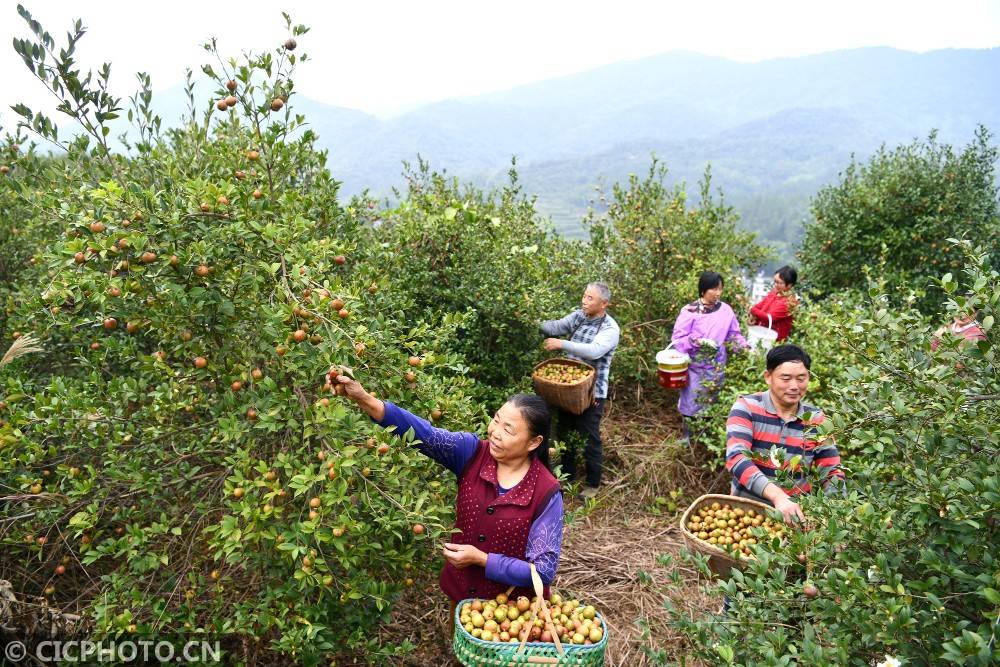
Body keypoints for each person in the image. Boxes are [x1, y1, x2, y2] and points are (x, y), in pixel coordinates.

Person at [329, 369, 564, 611]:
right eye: (496, 420)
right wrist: (363, 397)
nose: (495, 432)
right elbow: (423, 433)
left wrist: (482, 559)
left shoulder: (546, 493)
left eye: (508, 430)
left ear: (534, 442)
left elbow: (542, 571)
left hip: (516, 613)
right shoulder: (471, 453)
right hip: (462, 599)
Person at [725, 344, 845, 524]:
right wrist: (778, 497)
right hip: (745, 514)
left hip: (794, 517)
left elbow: (831, 471)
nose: (794, 386)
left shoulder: (817, 420)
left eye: (801, 378)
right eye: (786, 378)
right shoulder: (747, 408)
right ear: (768, 377)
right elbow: (737, 459)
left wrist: (838, 516)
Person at [540, 282, 620, 500]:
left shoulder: (610, 328)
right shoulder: (579, 316)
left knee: (589, 437)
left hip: (592, 393)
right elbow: (556, 327)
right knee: (564, 432)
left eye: (590, 298)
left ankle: (593, 484)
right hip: (568, 390)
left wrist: (562, 344)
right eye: (584, 296)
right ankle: (568, 476)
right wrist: (531, 322)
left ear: (604, 304)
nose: (584, 301)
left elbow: (594, 351)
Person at [670, 271, 747, 437]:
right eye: (714, 289)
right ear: (703, 289)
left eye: (720, 289)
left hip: (717, 365)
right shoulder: (690, 311)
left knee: (712, 401)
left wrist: (744, 347)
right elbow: (677, 339)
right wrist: (695, 342)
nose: (718, 293)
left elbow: (733, 334)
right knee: (691, 401)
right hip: (695, 366)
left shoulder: (725, 310)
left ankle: (705, 436)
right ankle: (687, 436)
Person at [749, 265, 798, 341]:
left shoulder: (790, 302)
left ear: (789, 285)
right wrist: (754, 317)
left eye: (779, 283)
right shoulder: (774, 293)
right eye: (775, 281)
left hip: (774, 341)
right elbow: (759, 306)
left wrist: (752, 309)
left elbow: (768, 318)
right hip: (761, 334)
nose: (776, 285)